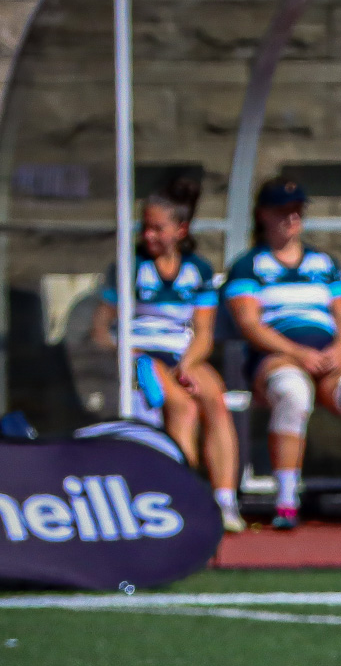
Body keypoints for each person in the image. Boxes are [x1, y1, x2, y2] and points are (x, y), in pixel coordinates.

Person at [224, 179, 341, 531]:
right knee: (294, 395)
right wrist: (298, 352)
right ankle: (285, 502)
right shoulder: (248, 266)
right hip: (278, 356)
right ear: (264, 214)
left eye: (297, 209)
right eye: (282, 210)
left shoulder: (323, 263)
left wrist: (338, 349)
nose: (291, 217)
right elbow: (250, 325)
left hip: (329, 357)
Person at [90, 177, 242, 532]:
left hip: (181, 353)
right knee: (181, 406)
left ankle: (225, 502)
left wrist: (188, 364)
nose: (150, 236)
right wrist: (129, 353)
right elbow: (99, 331)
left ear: (180, 229)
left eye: (159, 228)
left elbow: (203, 331)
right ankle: (183, 494)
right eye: (146, 228)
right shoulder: (129, 267)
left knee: (214, 400)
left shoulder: (198, 270)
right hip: (142, 354)